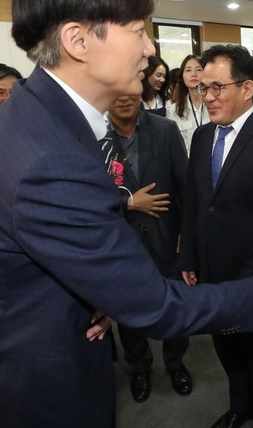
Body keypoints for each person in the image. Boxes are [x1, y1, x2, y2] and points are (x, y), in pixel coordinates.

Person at [0, 0, 253, 428]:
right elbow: (155, 306)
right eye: (138, 31)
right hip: (35, 391)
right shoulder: (49, 155)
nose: (151, 49)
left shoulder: (39, 116)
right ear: (78, 40)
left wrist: (101, 293)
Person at [180, 44, 253, 428]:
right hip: (211, 269)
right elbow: (195, 205)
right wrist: (189, 259)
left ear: (247, 89)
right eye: (204, 89)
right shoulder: (201, 138)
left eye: (218, 88)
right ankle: (240, 407)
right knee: (226, 346)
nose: (209, 97)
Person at [104, 93, 193, 403]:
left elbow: (186, 186)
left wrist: (187, 233)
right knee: (129, 311)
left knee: (175, 306)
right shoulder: (93, 136)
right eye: (117, 90)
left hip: (167, 237)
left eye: (131, 89)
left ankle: (176, 362)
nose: (124, 97)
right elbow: (86, 195)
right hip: (121, 243)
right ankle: (140, 365)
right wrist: (128, 202)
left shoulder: (165, 130)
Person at [166, 54, 209, 152]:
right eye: (188, 70)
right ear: (182, 76)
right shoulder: (174, 110)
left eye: (199, 69)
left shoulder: (215, 104)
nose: (193, 74)